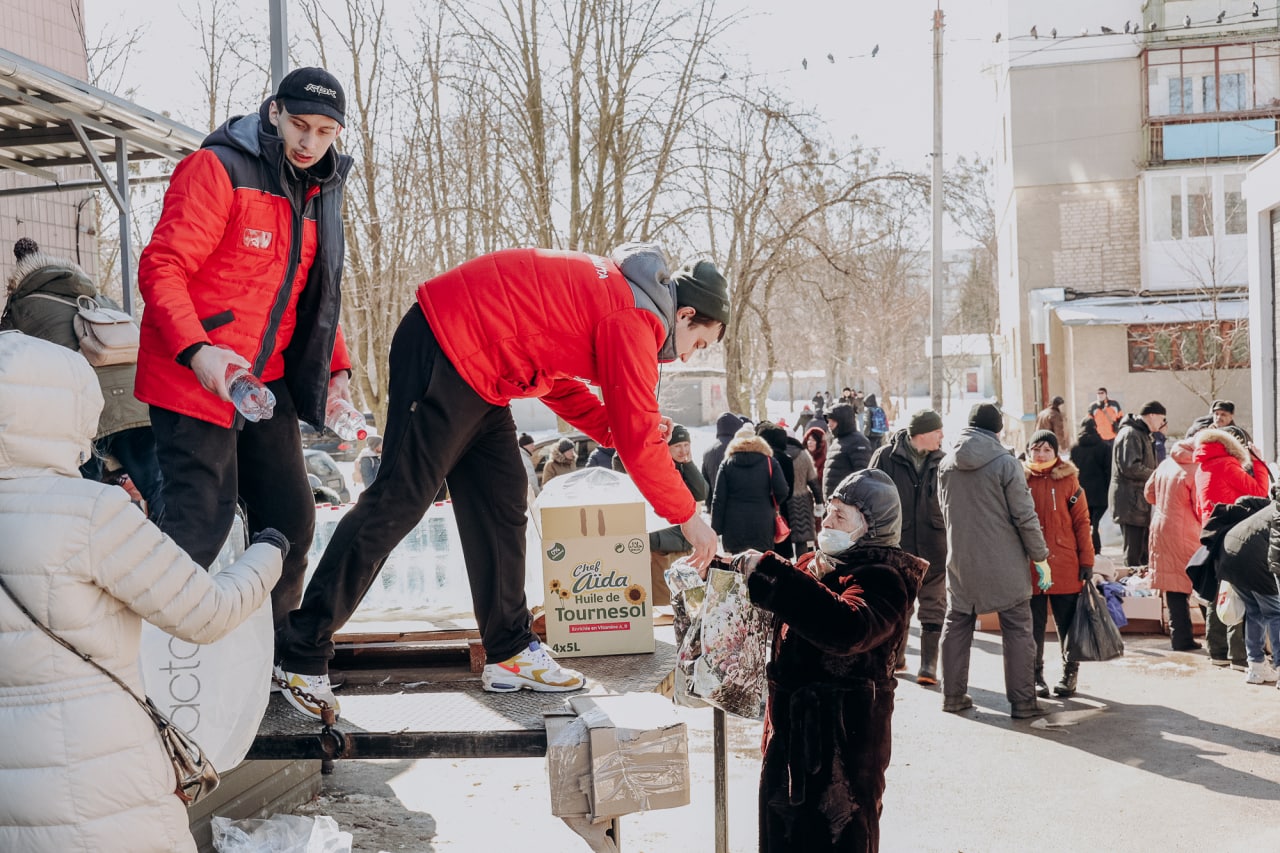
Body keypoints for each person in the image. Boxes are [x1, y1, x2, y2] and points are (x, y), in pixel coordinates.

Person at [274, 242, 728, 716]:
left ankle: (509, 651)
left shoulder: (623, 300)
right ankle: (301, 651)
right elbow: (637, 438)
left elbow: (558, 378)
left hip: (485, 368)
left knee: (502, 497)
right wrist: (687, 516)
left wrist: (613, 428)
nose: (688, 357)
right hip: (447, 344)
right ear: (686, 314)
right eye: (699, 344)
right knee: (398, 502)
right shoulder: (635, 317)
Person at [0, 331, 286, 853]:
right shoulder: (90, 513)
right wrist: (267, 554)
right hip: (109, 798)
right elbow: (206, 614)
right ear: (72, 410)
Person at [135, 68, 354, 656]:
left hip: (265, 381)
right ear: (274, 112)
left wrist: (336, 369)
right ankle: (151, 661)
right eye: (300, 126)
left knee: (290, 519)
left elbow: (312, 291)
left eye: (325, 132)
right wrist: (198, 350)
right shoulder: (219, 169)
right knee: (200, 521)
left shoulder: (320, 188)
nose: (309, 143)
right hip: (193, 374)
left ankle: (272, 657)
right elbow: (162, 266)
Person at [738, 469, 925, 853]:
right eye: (830, 511)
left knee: (836, 837)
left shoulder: (883, 576)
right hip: (790, 737)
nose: (828, 521)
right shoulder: (815, 563)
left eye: (842, 516)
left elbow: (849, 628)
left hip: (841, 745)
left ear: (870, 528)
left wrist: (775, 574)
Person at [1, 239, 164, 518]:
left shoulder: (24, 307)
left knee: (85, 497)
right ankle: (175, 551)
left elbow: (7, 353)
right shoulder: (98, 300)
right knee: (158, 487)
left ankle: (98, 552)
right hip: (138, 404)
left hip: (86, 411)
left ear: (19, 280)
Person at [937, 402, 1053, 719]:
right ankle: (1023, 701)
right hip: (1005, 563)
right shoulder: (1005, 463)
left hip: (960, 560)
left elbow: (944, 511)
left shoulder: (946, 464)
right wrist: (1040, 556)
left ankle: (952, 695)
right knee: (1017, 627)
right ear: (997, 430)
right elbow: (1024, 516)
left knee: (957, 622)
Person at [870, 409, 948, 684]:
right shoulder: (885, 457)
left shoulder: (943, 460)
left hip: (934, 544)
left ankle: (928, 666)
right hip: (897, 545)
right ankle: (897, 657)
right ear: (923, 434)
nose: (942, 436)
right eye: (938, 431)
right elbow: (869, 495)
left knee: (934, 604)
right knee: (900, 605)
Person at [1023, 430, 1094, 698]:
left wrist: (1087, 560)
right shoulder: (1020, 479)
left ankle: (1069, 673)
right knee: (1033, 625)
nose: (1040, 455)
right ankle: (1035, 675)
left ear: (1056, 453)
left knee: (1067, 624)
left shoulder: (1068, 480)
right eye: (1036, 449)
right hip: (1031, 564)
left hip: (1064, 562)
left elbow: (1082, 522)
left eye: (1046, 450)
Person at [1144, 437, 1204, 652]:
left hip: (1161, 528)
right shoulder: (1196, 469)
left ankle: (1180, 638)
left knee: (1173, 586)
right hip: (1188, 531)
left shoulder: (1166, 463)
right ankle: (1217, 640)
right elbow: (1201, 506)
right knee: (1202, 583)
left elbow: (1148, 493)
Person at [1213, 497, 1280, 685]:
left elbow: (1244, 500)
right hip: (1254, 559)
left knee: (1255, 611)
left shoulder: (1273, 504)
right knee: (1275, 613)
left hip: (1229, 551)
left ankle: (1256, 667)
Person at [647, 424, 708, 606]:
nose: (683, 450)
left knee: (684, 601)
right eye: (677, 446)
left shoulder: (684, 467)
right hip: (663, 546)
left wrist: (688, 464)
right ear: (667, 447)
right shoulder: (658, 468)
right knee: (665, 602)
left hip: (685, 543)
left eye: (686, 445)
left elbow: (702, 492)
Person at [711, 424, 790, 554]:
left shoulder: (726, 464)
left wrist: (716, 528)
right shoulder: (770, 461)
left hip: (733, 525)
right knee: (762, 565)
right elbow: (782, 491)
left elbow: (719, 499)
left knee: (737, 567)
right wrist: (770, 504)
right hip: (763, 522)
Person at [1109, 402, 1165, 568]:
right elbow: (1130, 467)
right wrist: (1157, 474)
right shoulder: (1131, 433)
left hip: (1138, 502)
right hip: (1131, 503)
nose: (1162, 423)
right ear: (1152, 415)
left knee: (1142, 553)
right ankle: (1131, 589)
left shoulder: (1142, 433)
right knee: (1133, 555)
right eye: (1162, 419)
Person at [1070, 418, 1111, 554]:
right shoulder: (1104, 447)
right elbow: (1109, 471)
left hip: (1081, 493)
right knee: (1096, 523)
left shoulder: (1075, 448)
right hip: (1100, 494)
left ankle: (1085, 550)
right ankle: (1096, 551)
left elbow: (1071, 471)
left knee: (1084, 523)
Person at [757, 423, 796, 558]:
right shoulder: (786, 459)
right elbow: (789, 492)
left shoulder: (758, 459)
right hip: (780, 511)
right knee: (780, 556)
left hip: (760, 512)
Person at [782, 429, 822, 554]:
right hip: (802, 501)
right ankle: (802, 568)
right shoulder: (803, 455)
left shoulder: (776, 454)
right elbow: (813, 481)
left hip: (782, 502)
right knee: (802, 541)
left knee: (781, 538)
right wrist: (819, 501)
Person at [823, 402, 873, 499]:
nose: (829, 424)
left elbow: (863, 476)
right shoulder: (837, 440)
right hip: (834, 503)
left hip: (847, 503)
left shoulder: (858, 442)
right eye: (828, 421)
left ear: (843, 421)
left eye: (833, 421)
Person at [702, 411, 746, 508]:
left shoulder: (707, 452)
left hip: (717, 508)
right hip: (739, 507)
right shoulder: (740, 448)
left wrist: (710, 508)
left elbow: (706, 485)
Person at [518, 432, 540, 498]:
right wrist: (539, 494)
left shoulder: (522, 456)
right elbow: (531, 481)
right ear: (525, 446)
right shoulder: (524, 459)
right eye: (531, 445)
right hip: (530, 495)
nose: (534, 447)